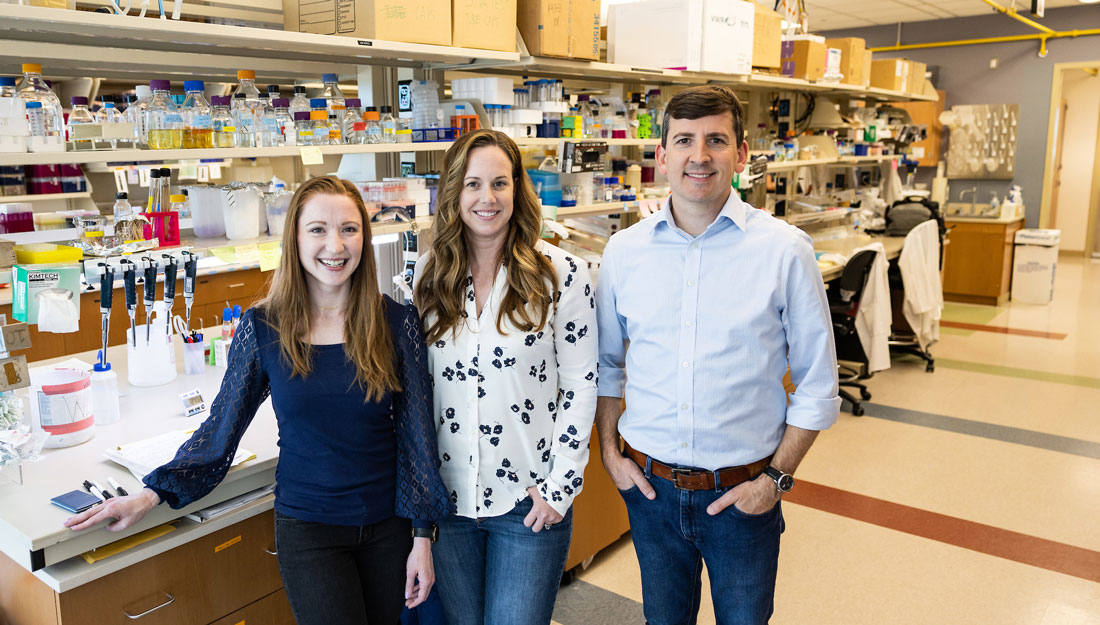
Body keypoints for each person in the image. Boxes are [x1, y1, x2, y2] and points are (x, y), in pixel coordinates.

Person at [65, 175, 453, 625]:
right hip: (310, 530)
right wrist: (152, 493)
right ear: (295, 238)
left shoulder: (395, 321)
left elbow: (418, 437)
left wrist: (422, 539)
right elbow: (221, 428)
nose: (336, 245)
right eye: (318, 230)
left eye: (349, 228)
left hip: (390, 529)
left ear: (364, 237)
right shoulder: (265, 327)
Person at [594, 85, 840, 625]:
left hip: (743, 496)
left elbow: (819, 385)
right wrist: (611, 455)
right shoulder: (624, 253)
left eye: (716, 140)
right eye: (683, 140)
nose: (698, 156)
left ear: (742, 153)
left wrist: (774, 481)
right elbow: (607, 366)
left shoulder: (784, 251)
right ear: (661, 156)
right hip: (650, 492)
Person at [413, 129, 598, 625]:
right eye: (472, 184)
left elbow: (583, 383)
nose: (487, 198)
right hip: (449, 503)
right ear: (453, 194)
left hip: (528, 500)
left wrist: (560, 486)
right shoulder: (429, 275)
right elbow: (420, 390)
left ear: (519, 189)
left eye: (500, 182)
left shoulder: (560, 274)